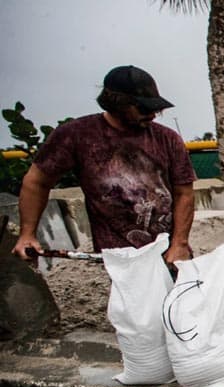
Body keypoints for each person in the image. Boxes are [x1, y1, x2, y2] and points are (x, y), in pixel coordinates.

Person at [11, 65, 195, 265]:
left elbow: (184, 193)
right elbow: (36, 182)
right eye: (143, 108)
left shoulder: (167, 139)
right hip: (119, 258)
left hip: (168, 254)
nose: (152, 114)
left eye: (155, 108)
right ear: (117, 103)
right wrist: (27, 234)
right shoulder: (77, 136)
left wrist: (180, 244)